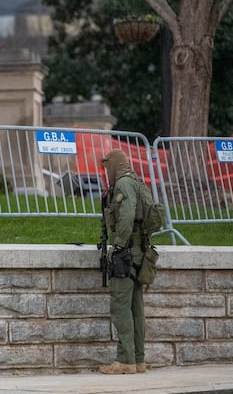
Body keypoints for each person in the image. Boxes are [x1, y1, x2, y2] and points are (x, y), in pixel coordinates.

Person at [99, 149, 146, 374]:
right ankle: (138, 359)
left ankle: (125, 361)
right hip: (137, 251)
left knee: (120, 306)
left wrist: (118, 246)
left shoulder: (124, 184)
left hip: (126, 252)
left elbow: (126, 217)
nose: (105, 171)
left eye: (107, 166)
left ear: (115, 165)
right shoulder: (135, 181)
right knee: (135, 306)